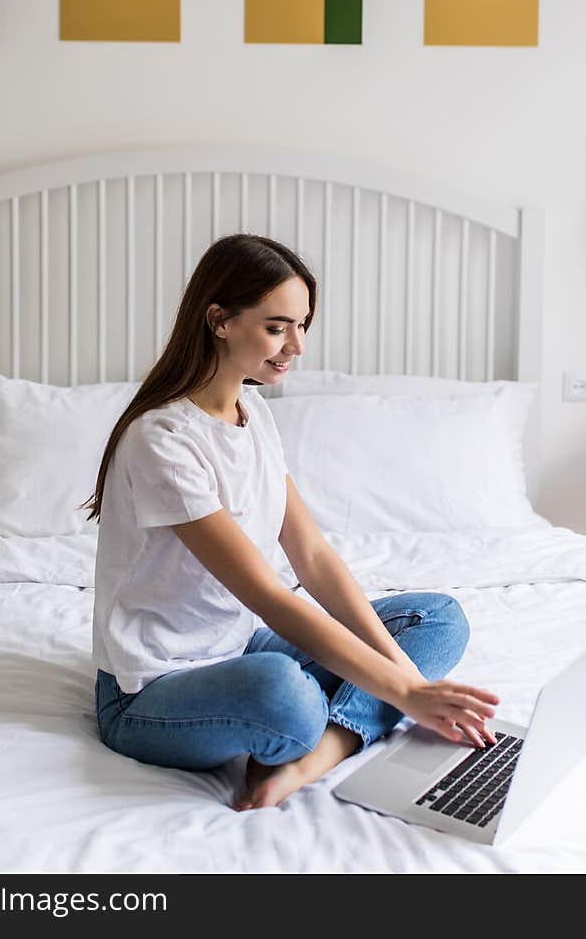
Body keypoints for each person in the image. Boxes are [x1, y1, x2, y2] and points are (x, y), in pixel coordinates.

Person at [86, 233, 499, 812]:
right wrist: (403, 690)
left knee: (437, 619)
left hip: (235, 646)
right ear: (220, 320)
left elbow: (314, 558)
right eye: (277, 327)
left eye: (302, 326)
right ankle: (326, 724)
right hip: (148, 692)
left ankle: (316, 755)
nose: (296, 346)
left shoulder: (251, 415)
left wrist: (411, 682)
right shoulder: (163, 440)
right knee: (283, 692)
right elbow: (266, 592)